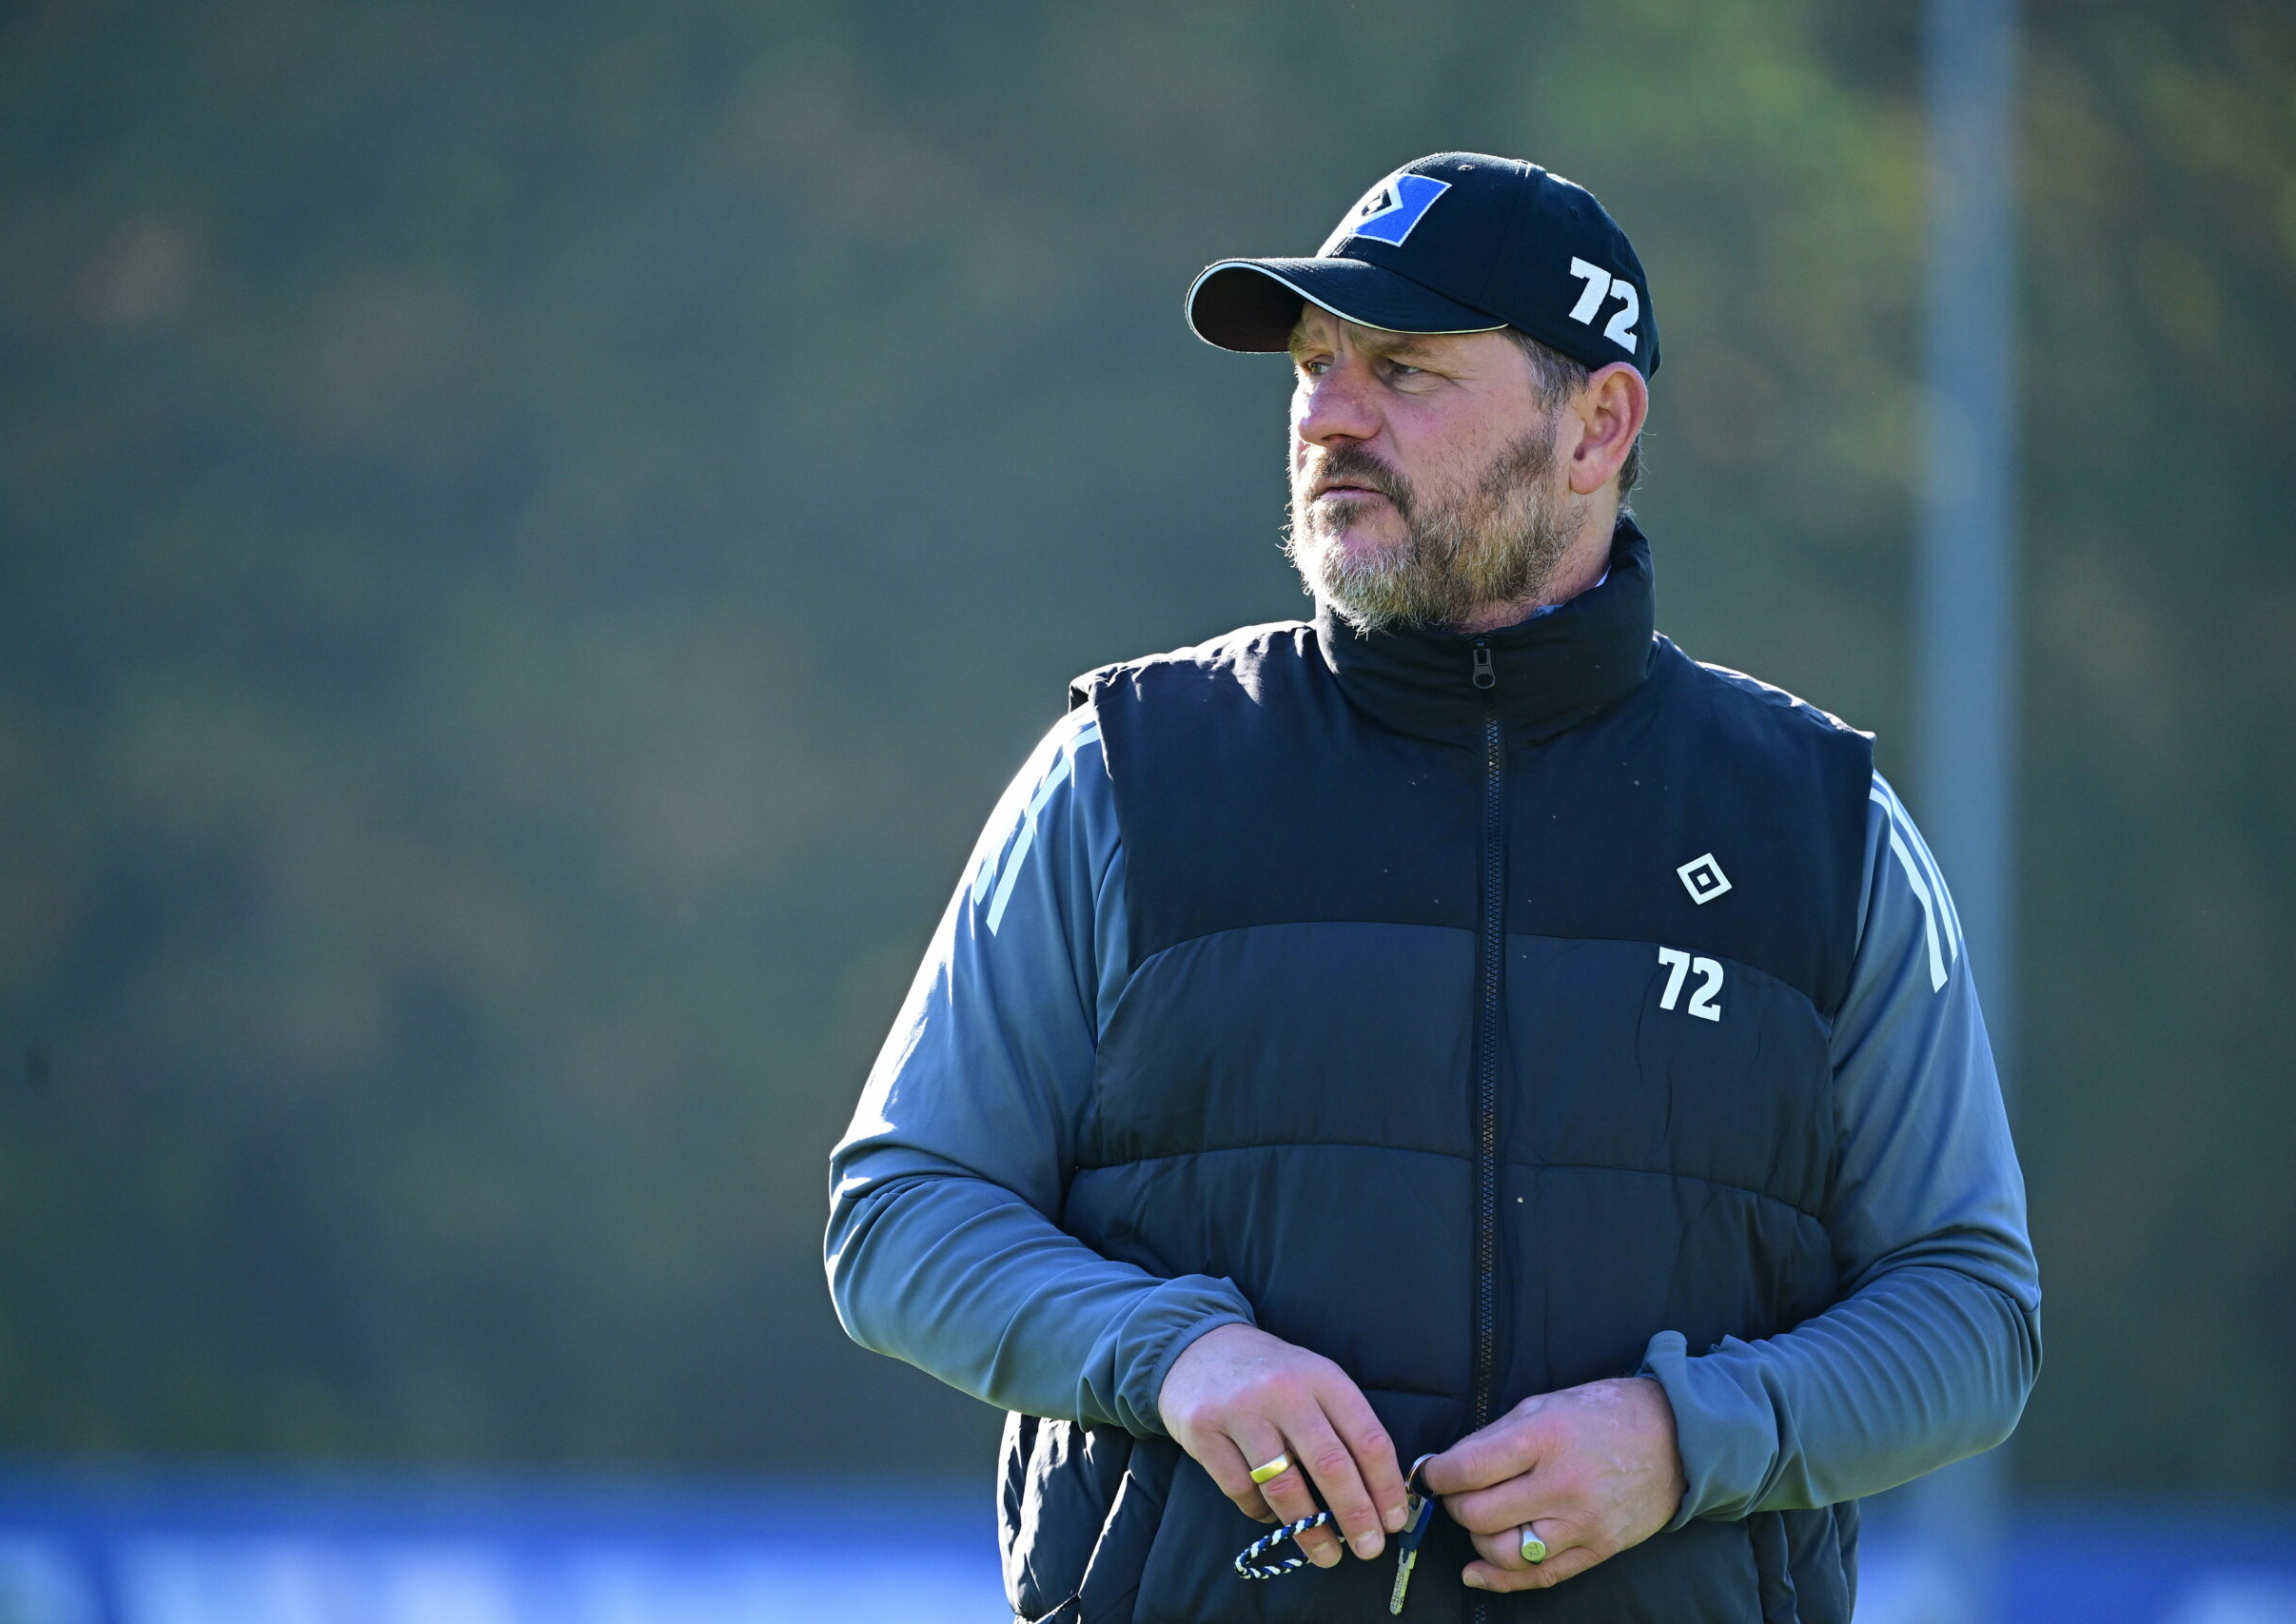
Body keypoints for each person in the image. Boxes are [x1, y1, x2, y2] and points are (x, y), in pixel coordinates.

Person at [825, 153, 2038, 1624]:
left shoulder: (1819, 821)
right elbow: (900, 1213)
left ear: (1598, 426)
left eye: (1404, 368)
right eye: (1317, 368)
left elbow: (1971, 1313)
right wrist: (1175, 1354)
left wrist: (1681, 1442)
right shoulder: (1126, 772)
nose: (1330, 414)